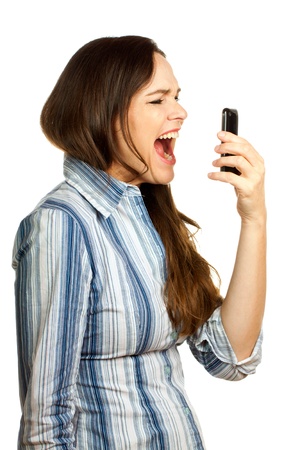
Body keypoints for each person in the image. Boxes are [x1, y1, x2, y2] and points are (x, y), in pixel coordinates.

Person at [12, 35, 266, 450]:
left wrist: (254, 217)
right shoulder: (63, 225)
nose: (180, 111)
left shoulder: (151, 217)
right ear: (106, 115)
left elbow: (229, 356)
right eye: (158, 100)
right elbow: (45, 424)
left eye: (177, 97)